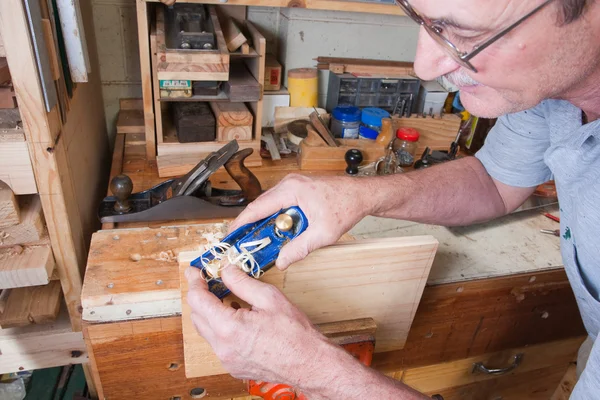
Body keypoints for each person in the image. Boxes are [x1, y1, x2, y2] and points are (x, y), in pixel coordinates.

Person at [185, 0, 600, 397]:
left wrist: (313, 372)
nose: (424, 65)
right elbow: (495, 180)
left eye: (466, 34)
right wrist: (359, 195)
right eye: (425, 21)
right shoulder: (549, 89)